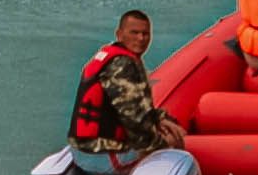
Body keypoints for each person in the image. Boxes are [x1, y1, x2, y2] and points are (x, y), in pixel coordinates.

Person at [70, 9, 181, 160]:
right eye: (134, 33)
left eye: (145, 33)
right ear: (119, 34)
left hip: (85, 147)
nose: (141, 38)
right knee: (176, 150)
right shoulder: (122, 65)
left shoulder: (112, 56)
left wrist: (159, 118)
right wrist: (163, 146)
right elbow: (134, 119)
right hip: (101, 153)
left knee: (169, 131)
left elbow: (134, 108)